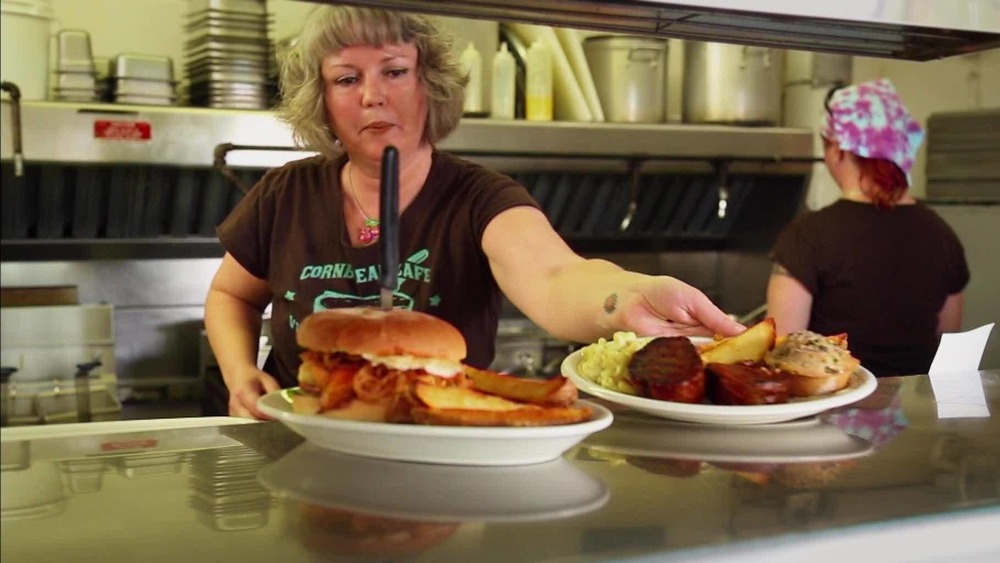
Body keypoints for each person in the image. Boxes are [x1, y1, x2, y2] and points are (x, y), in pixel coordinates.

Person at [204, 6, 743, 419]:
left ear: (428, 83)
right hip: (298, 434)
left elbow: (556, 276)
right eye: (347, 78)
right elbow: (231, 294)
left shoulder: (479, 199)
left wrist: (624, 298)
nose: (372, 96)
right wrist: (240, 372)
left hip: (440, 446)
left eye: (394, 71)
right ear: (321, 97)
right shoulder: (286, 194)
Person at [766, 79, 969, 377]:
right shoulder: (942, 234)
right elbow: (948, 338)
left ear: (837, 151)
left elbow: (782, 350)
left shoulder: (807, 235)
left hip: (834, 412)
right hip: (912, 415)